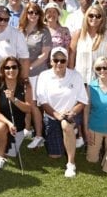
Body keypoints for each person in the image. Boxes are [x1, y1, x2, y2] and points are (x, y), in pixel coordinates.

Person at [36, 47, 88, 178]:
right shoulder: (43, 76)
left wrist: (71, 113)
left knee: (66, 125)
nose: (59, 63)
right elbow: (43, 102)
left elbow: (82, 101)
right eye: (56, 60)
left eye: (62, 60)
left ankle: (71, 164)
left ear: (67, 61)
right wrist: (57, 115)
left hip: (72, 114)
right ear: (51, 61)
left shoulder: (75, 76)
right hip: (52, 116)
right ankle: (70, 136)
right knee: (55, 155)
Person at [0, 56, 31, 171]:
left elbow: (28, 109)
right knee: (2, 127)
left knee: (12, 154)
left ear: (18, 68)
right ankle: (0, 157)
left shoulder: (25, 85)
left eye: (14, 67)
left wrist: (14, 99)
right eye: (7, 68)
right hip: (1, 121)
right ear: (2, 70)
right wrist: (8, 123)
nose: (11, 70)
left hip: (18, 126)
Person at [70, 4, 107, 84]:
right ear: (86, 17)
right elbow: (71, 61)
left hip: (101, 83)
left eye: (98, 16)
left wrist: (104, 77)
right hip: (80, 82)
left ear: (102, 18)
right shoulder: (78, 34)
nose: (94, 18)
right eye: (91, 15)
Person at [85, 56, 107, 164]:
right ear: (95, 70)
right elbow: (86, 110)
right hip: (94, 128)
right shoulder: (90, 87)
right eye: (98, 68)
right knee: (92, 160)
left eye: (105, 67)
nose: (102, 70)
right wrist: (86, 129)